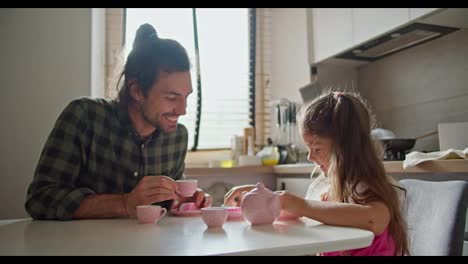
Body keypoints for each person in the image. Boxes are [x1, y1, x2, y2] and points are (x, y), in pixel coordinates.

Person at [25, 23, 211, 220]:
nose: (182, 110)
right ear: (136, 91)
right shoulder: (84, 117)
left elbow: (162, 205)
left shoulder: (177, 137)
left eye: (186, 97)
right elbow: (40, 199)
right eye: (172, 98)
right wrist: (124, 203)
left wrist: (181, 201)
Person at [224, 91, 409, 256]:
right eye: (308, 148)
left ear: (345, 148)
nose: (310, 156)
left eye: (317, 149)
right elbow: (304, 217)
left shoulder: (364, 185)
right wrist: (266, 198)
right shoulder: (328, 188)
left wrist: (303, 205)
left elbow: (374, 219)